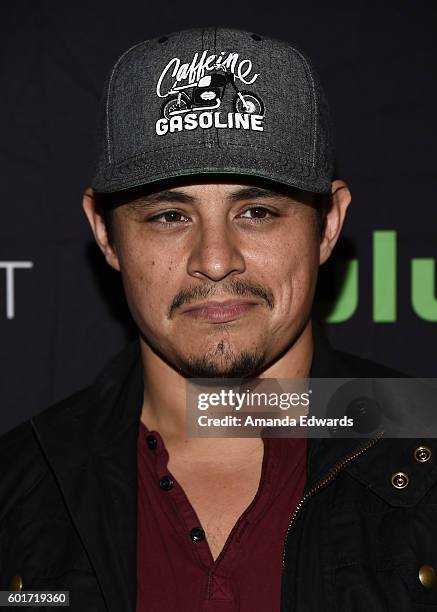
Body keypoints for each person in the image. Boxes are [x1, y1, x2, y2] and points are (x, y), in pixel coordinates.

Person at [1, 26, 436, 612]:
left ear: (328, 224)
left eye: (256, 211)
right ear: (104, 233)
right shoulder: (18, 489)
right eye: (167, 216)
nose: (214, 261)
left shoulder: (425, 450)